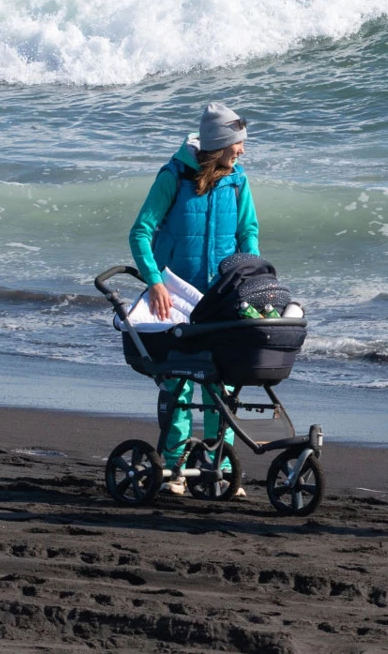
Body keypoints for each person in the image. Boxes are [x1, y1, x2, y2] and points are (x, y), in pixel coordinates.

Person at [128, 102, 259, 494]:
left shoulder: (238, 181)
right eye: (237, 144)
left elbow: (247, 233)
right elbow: (140, 233)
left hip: (221, 300)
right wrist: (155, 283)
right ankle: (174, 468)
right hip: (177, 301)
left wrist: (245, 275)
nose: (242, 151)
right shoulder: (173, 177)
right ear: (219, 144)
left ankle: (219, 466)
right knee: (178, 385)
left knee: (223, 386)